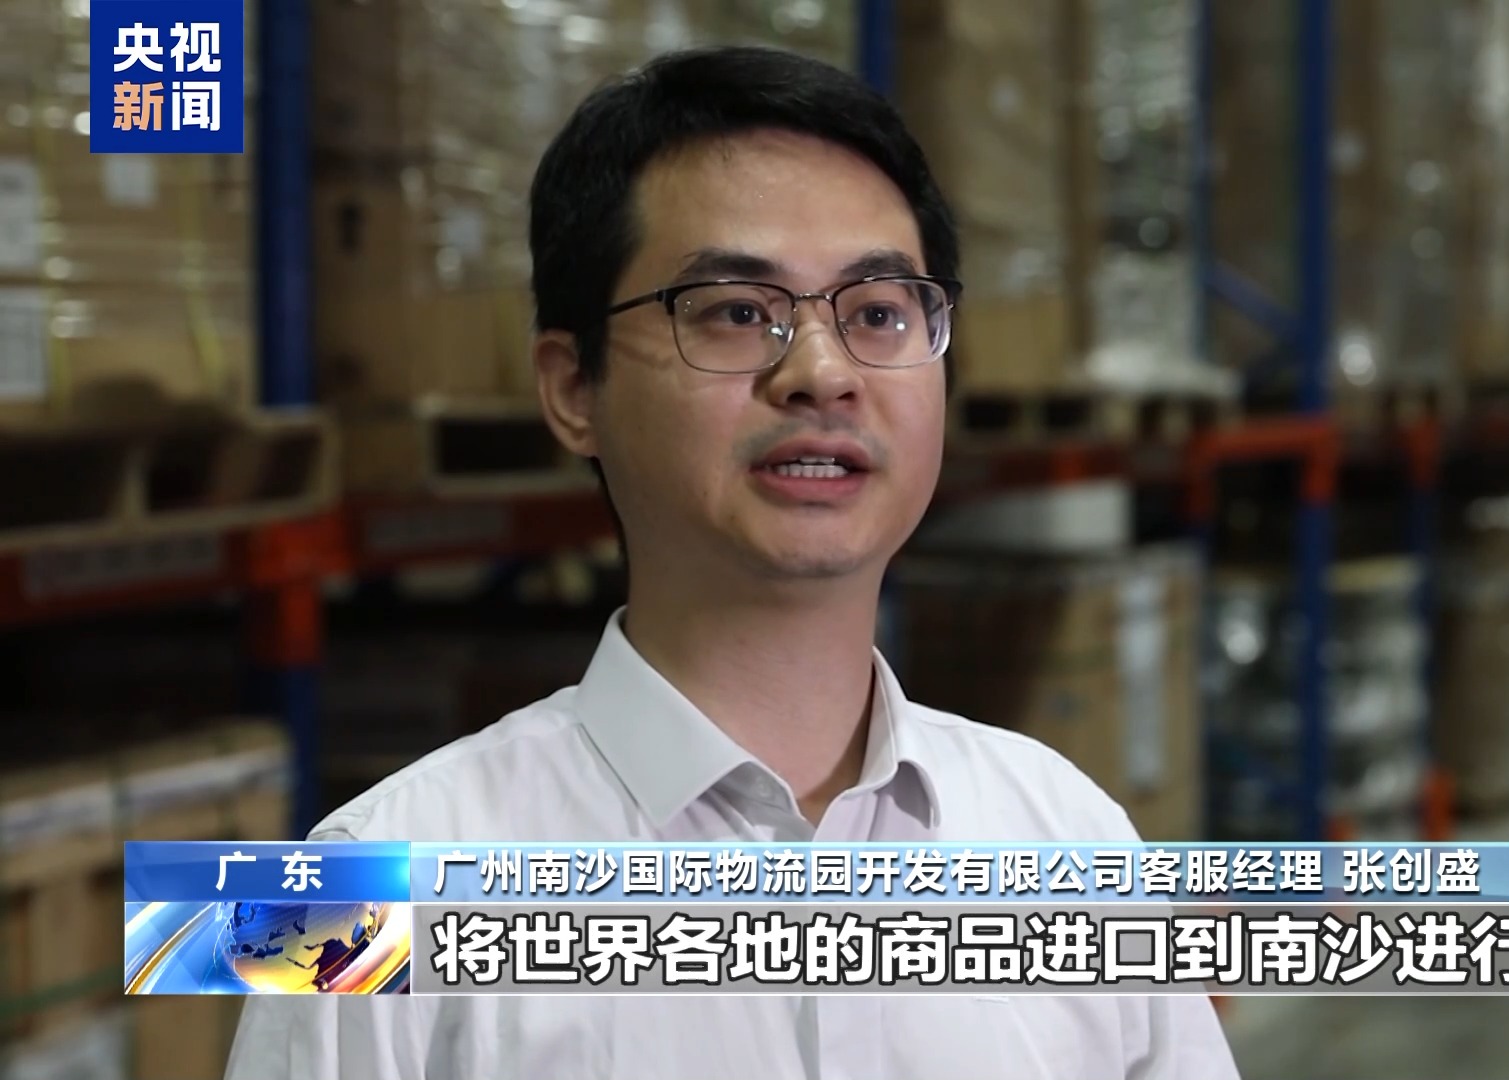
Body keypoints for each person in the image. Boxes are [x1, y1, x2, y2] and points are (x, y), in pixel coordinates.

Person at [226, 45, 1240, 1080]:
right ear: (573, 388)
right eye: (737, 312)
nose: (822, 373)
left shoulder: (1071, 840)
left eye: (878, 313)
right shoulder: (359, 893)